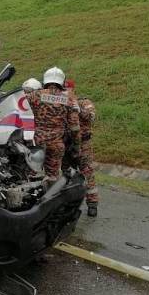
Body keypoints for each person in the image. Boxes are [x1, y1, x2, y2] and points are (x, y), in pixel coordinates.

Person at [25, 67, 80, 183]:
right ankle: (48, 195)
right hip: (56, 144)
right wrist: (75, 144)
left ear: (46, 80)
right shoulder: (69, 99)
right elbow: (74, 127)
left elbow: (22, 111)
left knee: (29, 174)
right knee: (52, 177)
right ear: (62, 81)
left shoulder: (34, 95)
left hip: (36, 143)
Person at [64, 79, 99, 217]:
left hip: (83, 144)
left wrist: (79, 110)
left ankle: (92, 204)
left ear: (73, 89)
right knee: (66, 174)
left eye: (68, 89)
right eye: (63, 89)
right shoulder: (60, 103)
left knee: (87, 172)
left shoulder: (84, 102)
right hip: (67, 144)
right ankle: (68, 204)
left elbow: (91, 117)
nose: (65, 92)